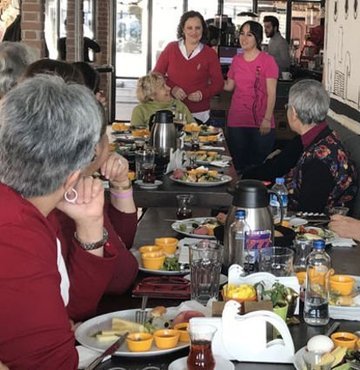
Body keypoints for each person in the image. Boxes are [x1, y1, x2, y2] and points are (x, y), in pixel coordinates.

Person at [22, 59, 139, 322]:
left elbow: (122, 242)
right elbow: (116, 278)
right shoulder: (54, 198)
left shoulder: (71, 184)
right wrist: (90, 227)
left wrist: (121, 186)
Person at [0, 74, 103, 368]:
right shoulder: (15, 234)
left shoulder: (34, 208)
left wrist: (90, 225)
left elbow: (75, 308)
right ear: (73, 176)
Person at [284, 79, 357, 213]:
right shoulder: (325, 137)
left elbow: (308, 213)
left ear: (294, 112)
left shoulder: (320, 159)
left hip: (317, 227)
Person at [224, 20, 278, 173]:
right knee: (238, 166)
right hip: (237, 121)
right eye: (242, 33)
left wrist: (267, 118)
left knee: (257, 168)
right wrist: (211, 79)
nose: (244, 38)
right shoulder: (236, 60)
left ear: (258, 38)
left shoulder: (268, 61)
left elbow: (271, 93)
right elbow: (229, 86)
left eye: (249, 34)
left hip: (261, 122)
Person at [153, 10, 223, 124]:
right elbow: (156, 75)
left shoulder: (210, 54)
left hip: (200, 114)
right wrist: (172, 89)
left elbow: (219, 83)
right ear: (183, 29)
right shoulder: (171, 48)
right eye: (189, 28)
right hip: (172, 111)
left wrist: (202, 94)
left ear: (203, 30)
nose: (194, 32)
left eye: (197, 28)